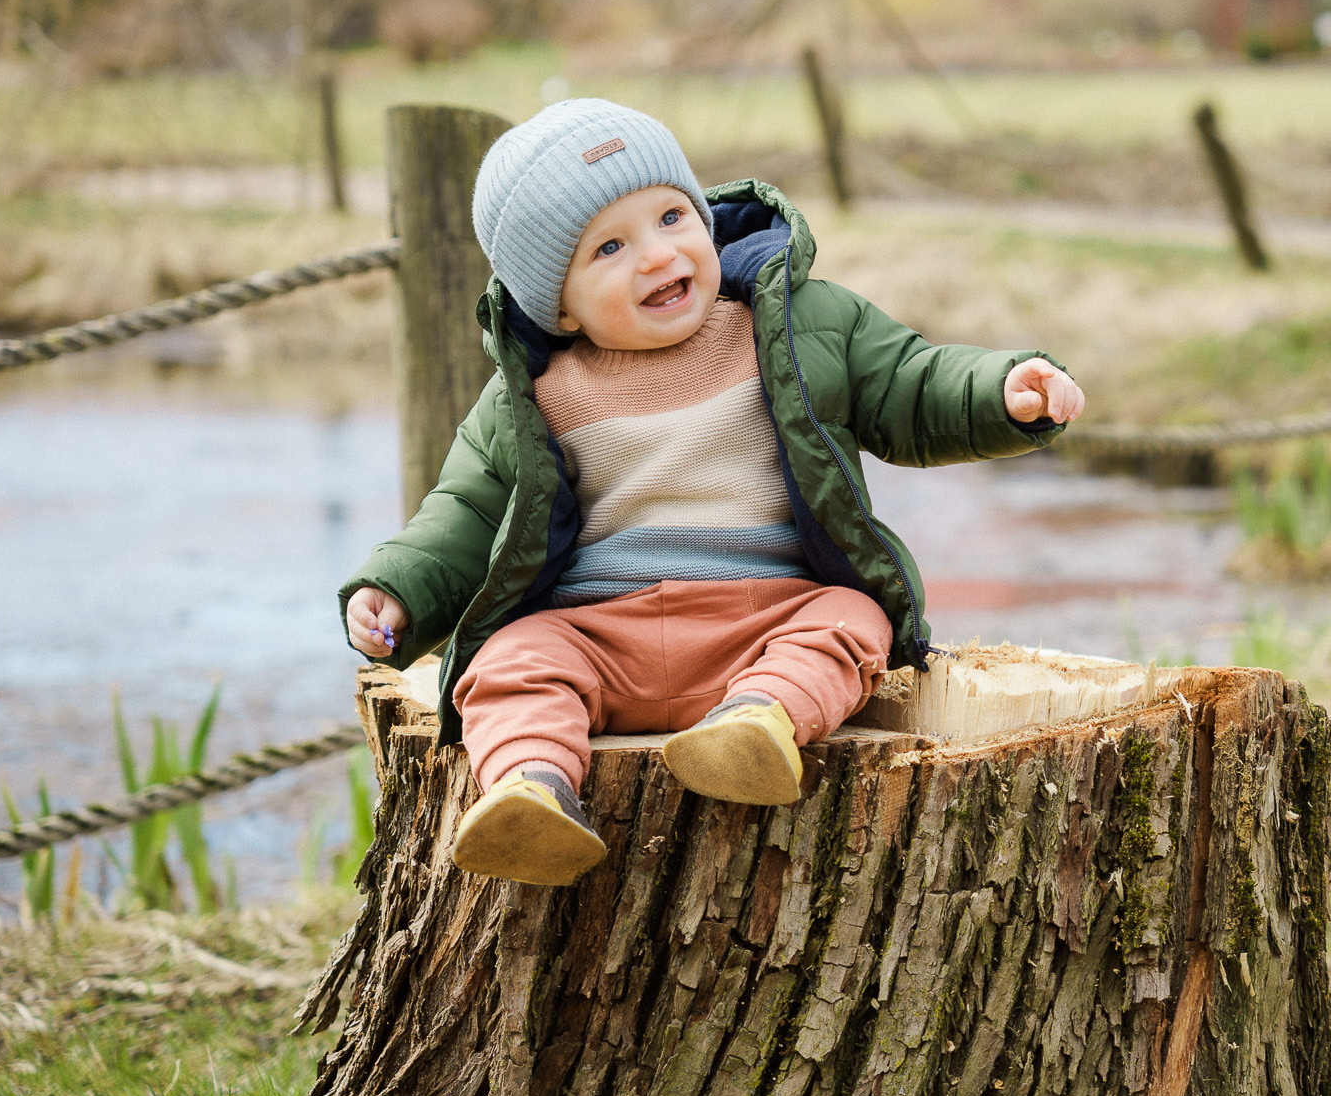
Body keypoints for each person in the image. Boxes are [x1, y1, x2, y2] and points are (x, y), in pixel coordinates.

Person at [340, 99, 1083, 886]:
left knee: (853, 617)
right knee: (512, 659)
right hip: (599, 634)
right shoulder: (531, 397)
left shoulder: (793, 326)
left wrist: (1001, 390)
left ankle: (757, 721)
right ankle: (532, 788)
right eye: (611, 247)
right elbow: (461, 514)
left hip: (764, 618)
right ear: (555, 303)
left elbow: (909, 379)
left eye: (670, 215)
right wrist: (396, 590)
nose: (658, 255)